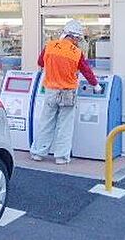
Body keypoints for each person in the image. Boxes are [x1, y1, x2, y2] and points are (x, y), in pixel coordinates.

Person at [30, 19, 102, 165]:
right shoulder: (77, 52)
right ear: (74, 37)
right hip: (68, 92)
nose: (78, 42)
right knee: (65, 125)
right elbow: (87, 71)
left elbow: (40, 62)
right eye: (78, 39)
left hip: (51, 91)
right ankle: (61, 157)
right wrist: (96, 85)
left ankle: (38, 153)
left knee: (46, 122)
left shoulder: (50, 46)